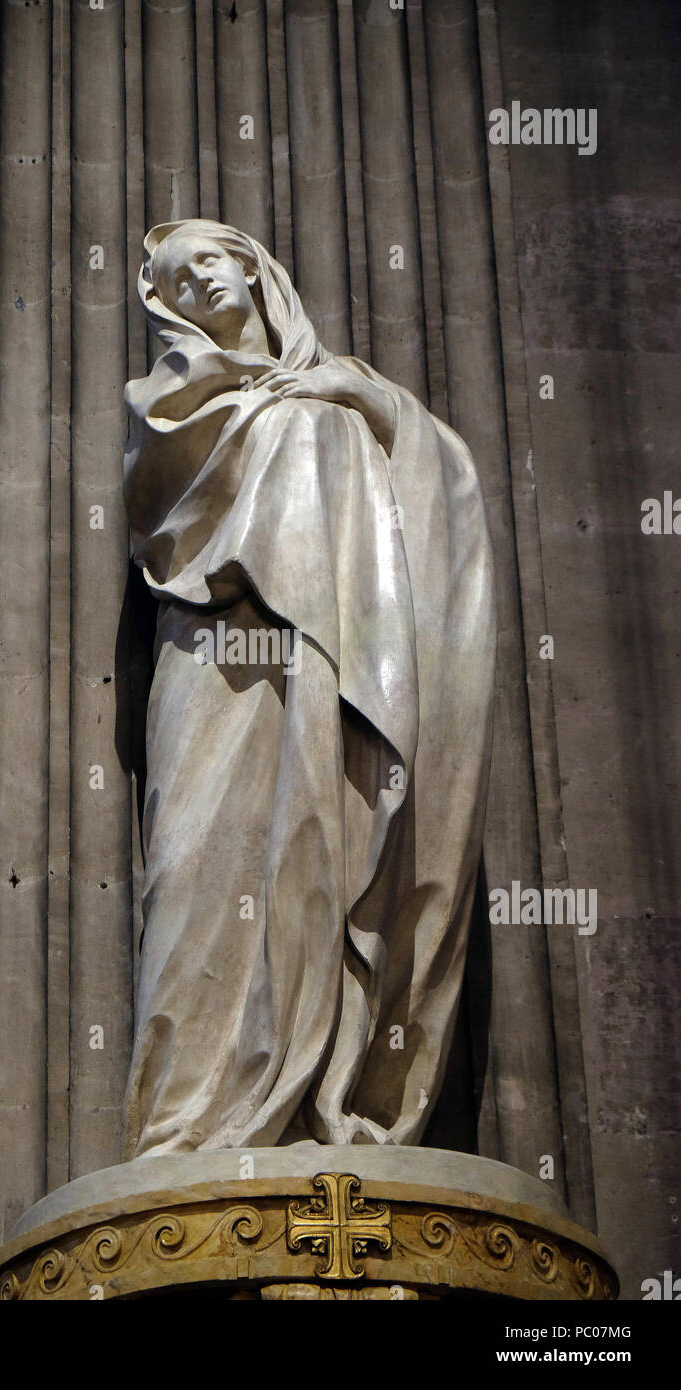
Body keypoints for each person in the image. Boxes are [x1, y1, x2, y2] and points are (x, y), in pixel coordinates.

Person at [122, 218, 495, 1156]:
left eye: (210, 260)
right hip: (216, 666)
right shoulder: (171, 404)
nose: (195, 281)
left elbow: (433, 522)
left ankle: (332, 1089)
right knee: (191, 870)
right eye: (174, 279)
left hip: (333, 680)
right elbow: (166, 527)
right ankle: (186, 1126)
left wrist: (369, 402)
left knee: (329, 848)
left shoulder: (352, 399)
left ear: (254, 271)